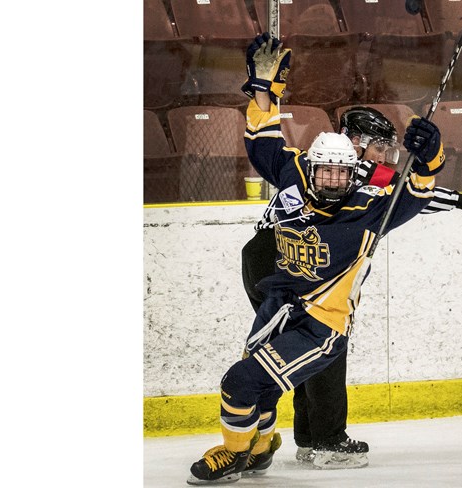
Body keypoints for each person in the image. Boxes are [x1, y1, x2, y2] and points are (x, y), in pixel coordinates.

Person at [187, 32, 445, 485]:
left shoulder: (369, 209)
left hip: (321, 316)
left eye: (340, 173)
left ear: (354, 175)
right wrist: (264, 90)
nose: (330, 179)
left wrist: (430, 160)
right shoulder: (294, 173)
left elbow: (417, 191)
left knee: (246, 380)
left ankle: (278, 443)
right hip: (279, 293)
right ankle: (261, 446)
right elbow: (262, 138)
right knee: (258, 384)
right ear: (311, 166)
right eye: (323, 170)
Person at [241, 107, 462, 469]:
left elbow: (401, 199)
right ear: (356, 142)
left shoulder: (315, 163)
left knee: (295, 347)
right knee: (323, 342)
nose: (383, 157)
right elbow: (406, 197)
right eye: (379, 147)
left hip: (266, 256)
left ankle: (309, 436)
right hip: (294, 261)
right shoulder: (352, 170)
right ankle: (329, 440)